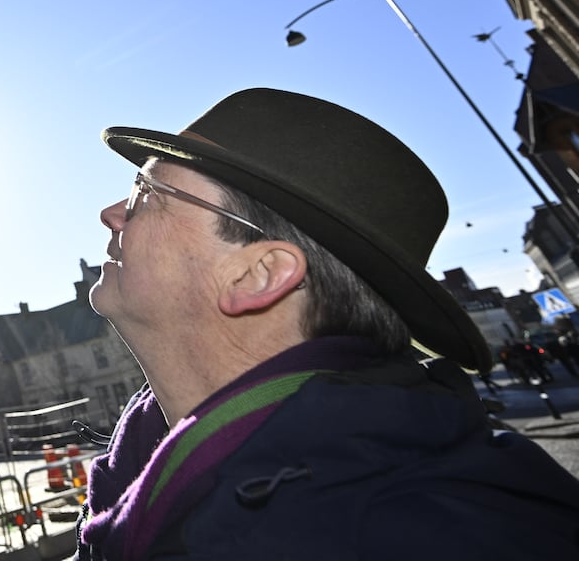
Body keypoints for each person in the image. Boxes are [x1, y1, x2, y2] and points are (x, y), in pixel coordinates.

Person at [75, 88, 579, 560]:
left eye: (147, 192)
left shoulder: (434, 533)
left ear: (258, 273)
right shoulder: (141, 473)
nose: (111, 212)